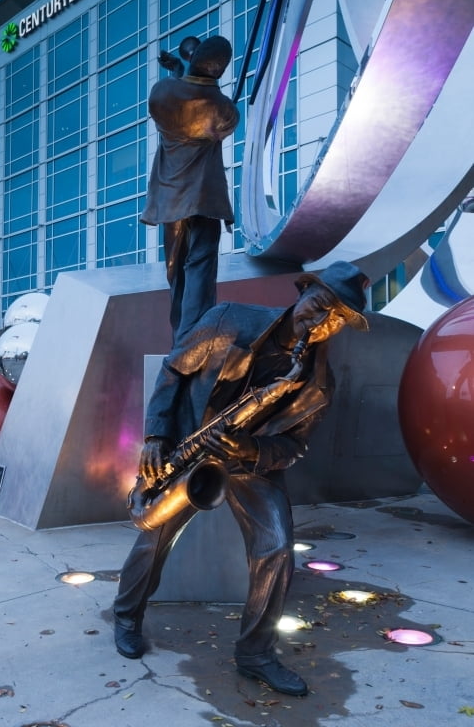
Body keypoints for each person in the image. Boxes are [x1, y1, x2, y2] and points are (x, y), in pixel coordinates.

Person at [113, 261, 370, 697]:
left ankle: (256, 653)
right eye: (321, 304)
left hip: (251, 463)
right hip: (192, 448)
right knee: (155, 534)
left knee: (277, 547)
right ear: (303, 292)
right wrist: (156, 434)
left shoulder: (318, 384)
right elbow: (174, 370)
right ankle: (125, 615)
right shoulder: (228, 319)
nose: (323, 321)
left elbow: (293, 447)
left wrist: (253, 452)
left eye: (337, 319)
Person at [142, 35, 239, 346]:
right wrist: (197, 76)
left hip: (171, 203)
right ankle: (191, 343)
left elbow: (180, 97)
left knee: (177, 277)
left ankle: (180, 342)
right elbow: (215, 111)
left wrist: (179, 72)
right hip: (205, 202)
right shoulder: (224, 108)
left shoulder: (161, 93)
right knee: (200, 272)